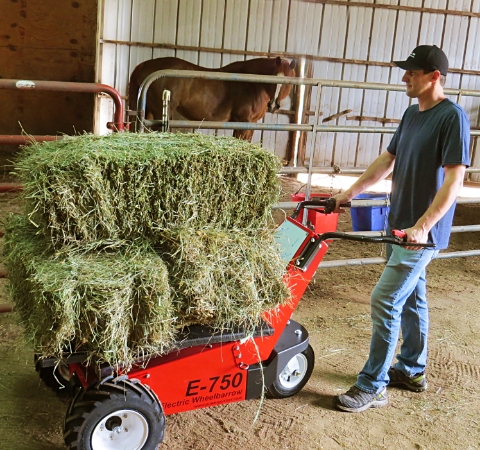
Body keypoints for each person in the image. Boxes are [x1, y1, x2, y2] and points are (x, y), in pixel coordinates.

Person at [333, 45, 471, 413]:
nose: (404, 77)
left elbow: (455, 180)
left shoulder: (452, 117)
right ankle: (411, 370)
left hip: (419, 234)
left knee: (385, 299)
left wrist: (424, 225)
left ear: (434, 76)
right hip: (400, 226)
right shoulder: (412, 114)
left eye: (412, 72)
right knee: (411, 299)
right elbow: (387, 160)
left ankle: (373, 384)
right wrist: (349, 193)